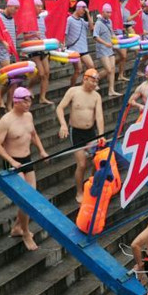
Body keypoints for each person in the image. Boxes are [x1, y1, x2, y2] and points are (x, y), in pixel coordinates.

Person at [0, 87, 49, 251]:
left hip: (27, 159)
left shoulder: (28, 116)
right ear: (16, 102)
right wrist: (11, 161)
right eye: (25, 101)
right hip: (12, 162)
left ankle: (17, 227)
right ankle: (25, 233)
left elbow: (33, 134)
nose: (28, 104)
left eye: (29, 101)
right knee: (26, 199)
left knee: (31, 197)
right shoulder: (6, 121)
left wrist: (42, 151)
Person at [56, 68, 104, 202]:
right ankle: (79, 191)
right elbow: (60, 108)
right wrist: (63, 124)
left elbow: (99, 116)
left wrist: (101, 134)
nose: (95, 84)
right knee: (82, 164)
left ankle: (92, 184)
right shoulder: (73, 91)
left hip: (91, 132)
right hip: (76, 132)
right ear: (85, 79)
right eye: (93, 81)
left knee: (97, 161)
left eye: (97, 82)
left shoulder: (96, 96)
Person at [66, 1, 96, 86]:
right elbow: (65, 33)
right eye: (83, 10)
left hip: (83, 49)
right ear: (78, 8)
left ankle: (83, 86)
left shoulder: (82, 21)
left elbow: (91, 27)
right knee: (78, 69)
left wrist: (88, 14)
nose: (83, 12)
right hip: (74, 49)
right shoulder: (69, 19)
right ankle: (71, 87)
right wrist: (63, 45)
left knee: (91, 66)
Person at [93, 3, 119, 97]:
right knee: (108, 69)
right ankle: (94, 79)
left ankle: (111, 90)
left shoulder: (110, 21)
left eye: (110, 12)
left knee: (112, 69)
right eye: (107, 12)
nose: (109, 14)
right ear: (102, 12)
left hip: (109, 48)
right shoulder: (98, 23)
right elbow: (95, 36)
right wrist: (105, 43)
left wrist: (115, 37)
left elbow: (111, 32)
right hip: (102, 48)